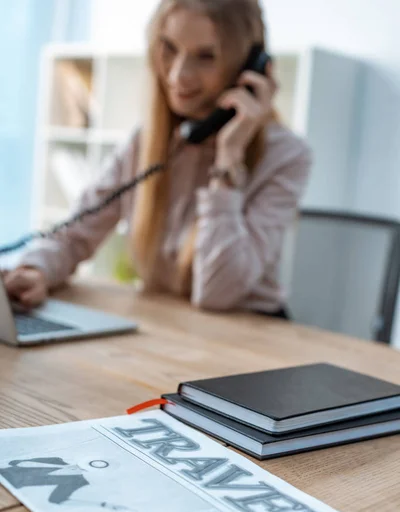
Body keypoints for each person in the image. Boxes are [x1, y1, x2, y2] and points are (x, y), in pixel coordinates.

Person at [3, 0, 311, 316]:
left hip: (252, 337)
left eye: (206, 57)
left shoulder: (287, 156)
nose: (179, 75)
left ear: (251, 67)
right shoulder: (147, 141)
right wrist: (35, 269)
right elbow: (74, 235)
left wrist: (228, 160)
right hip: (168, 328)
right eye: (169, 48)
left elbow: (218, 294)